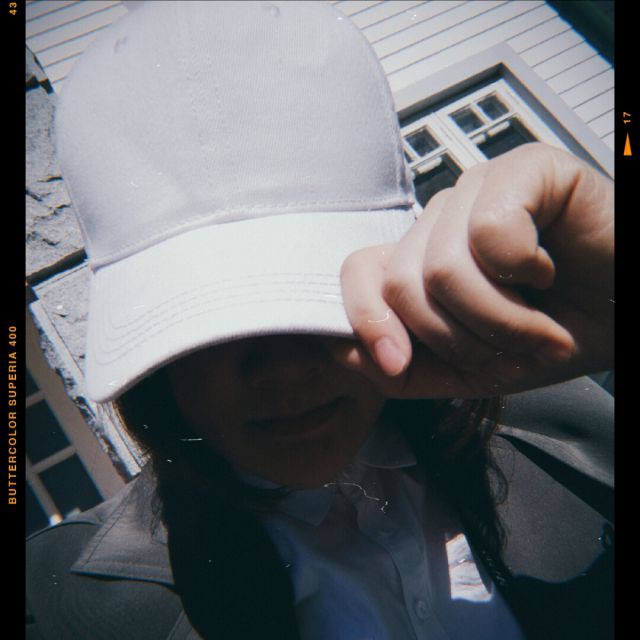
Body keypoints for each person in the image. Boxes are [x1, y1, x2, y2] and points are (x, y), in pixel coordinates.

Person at [26, 2, 613, 639]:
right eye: (208, 318)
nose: (284, 368)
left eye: (315, 289)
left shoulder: (581, 424)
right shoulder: (61, 606)